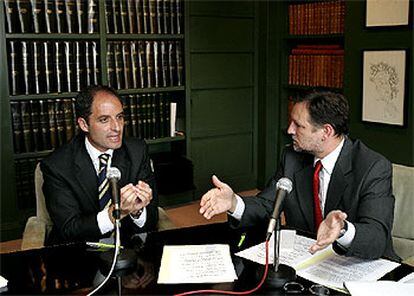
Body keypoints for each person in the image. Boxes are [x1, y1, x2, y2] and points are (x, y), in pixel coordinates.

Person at [199, 91, 399, 260]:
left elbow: (377, 237)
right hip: (310, 261)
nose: (289, 130)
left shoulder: (373, 167)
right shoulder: (292, 157)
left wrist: (343, 229)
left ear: (326, 131)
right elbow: (269, 205)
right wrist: (234, 203)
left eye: (298, 125)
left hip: (362, 265)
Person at [42, 85, 158, 244]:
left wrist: (137, 211)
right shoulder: (57, 165)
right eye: (104, 120)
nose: (117, 127)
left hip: (129, 249)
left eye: (120, 117)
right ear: (84, 124)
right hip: (80, 253)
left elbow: (151, 220)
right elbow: (69, 229)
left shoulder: (137, 151)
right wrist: (117, 212)